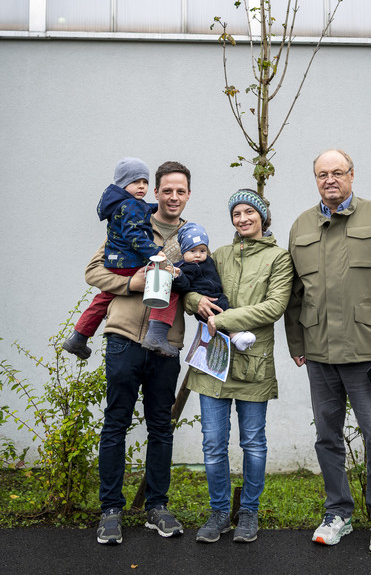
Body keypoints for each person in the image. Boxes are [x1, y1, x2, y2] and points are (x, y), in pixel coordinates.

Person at [284, 149, 371, 554]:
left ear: (352, 175)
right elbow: (294, 293)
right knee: (327, 437)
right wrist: (296, 342)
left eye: (337, 172)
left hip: (367, 349)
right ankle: (337, 512)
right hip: (319, 352)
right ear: (316, 179)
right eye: (322, 174)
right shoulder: (301, 225)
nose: (330, 180)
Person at [85, 160, 192, 545]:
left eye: (181, 191)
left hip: (166, 344)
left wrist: (191, 289)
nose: (173, 197)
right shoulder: (128, 220)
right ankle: (110, 509)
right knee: (116, 422)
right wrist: (132, 283)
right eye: (167, 190)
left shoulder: (191, 236)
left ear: (188, 195)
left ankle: (157, 507)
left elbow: (199, 284)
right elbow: (93, 272)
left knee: (160, 425)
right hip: (124, 337)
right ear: (156, 192)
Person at [183, 189, 294, 544]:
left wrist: (223, 319)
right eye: (236, 213)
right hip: (213, 362)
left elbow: (274, 306)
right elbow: (190, 286)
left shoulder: (279, 259)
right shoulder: (218, 255)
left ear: (262, 216)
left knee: (253, 442)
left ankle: (248, 511)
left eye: (249, 212)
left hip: (252, 364)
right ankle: (218, 513)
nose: (242, 219)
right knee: (213, 443)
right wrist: (195, 300)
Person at [63, 157, 179, 359]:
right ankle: (156, 336)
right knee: (167, 285)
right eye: (135, 182)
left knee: (103, 298)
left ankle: (78, 337)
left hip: (117, 262)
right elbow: (134, 235)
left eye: (144, 182)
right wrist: (154, 251)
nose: (141, 186)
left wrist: (156, 207)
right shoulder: (131, 206)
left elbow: (140, 210)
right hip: (129, 262)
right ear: (122, 184)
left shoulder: (122, 204)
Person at [173, 221, 256, 352]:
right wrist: (178, 277)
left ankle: (237, 334)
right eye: (192, 251)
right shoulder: (184, 268)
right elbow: (184, 286)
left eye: (202, 250)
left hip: (217, 295)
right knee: (220, 313)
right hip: (205, 300)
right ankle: (236, 336)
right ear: (183, 253)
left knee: (226, 312)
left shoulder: (209, 261)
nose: (198, 255)